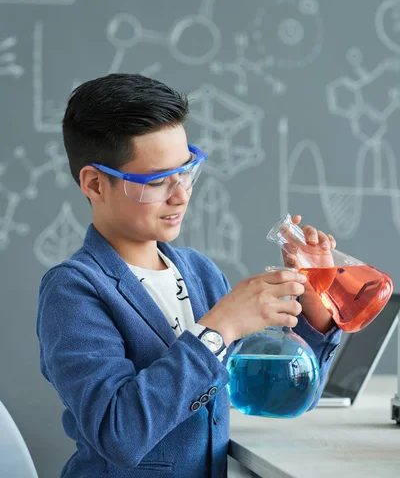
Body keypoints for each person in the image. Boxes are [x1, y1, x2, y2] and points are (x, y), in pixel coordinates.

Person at [36, 73, 342, 478]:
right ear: (95, 183)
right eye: (157, 181)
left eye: (186, 171)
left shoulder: (198, 272)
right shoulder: (74, 290)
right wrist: (218, 328)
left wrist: (313, 304)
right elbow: (119, 434)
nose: (180, 194)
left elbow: (279, 396)